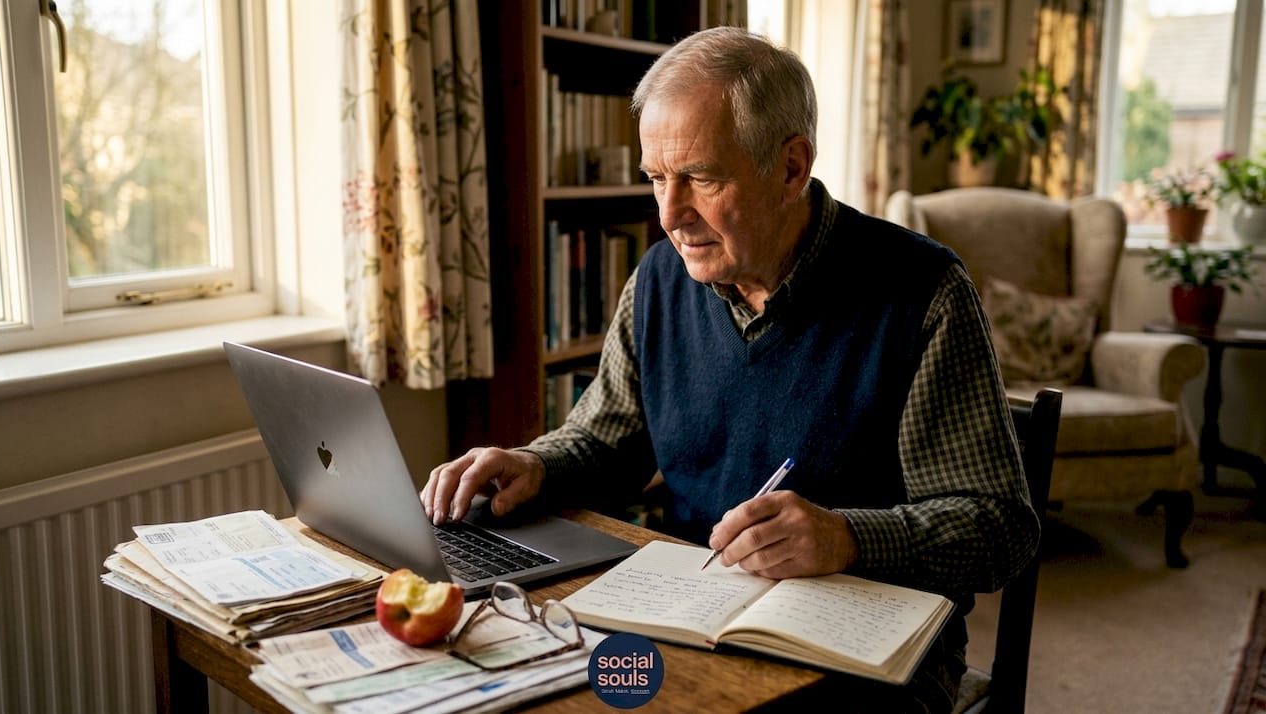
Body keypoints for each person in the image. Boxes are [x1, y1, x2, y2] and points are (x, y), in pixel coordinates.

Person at [422, 26, 1038, 712]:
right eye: (657, 178)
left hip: (869, 643)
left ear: (791, 167)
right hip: (691, 609)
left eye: (702, 179)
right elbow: (606, 440)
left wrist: (848, 537)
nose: (669, 214)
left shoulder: (922, 291)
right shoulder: (660, 280)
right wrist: (535, 464)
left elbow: (997, 529)